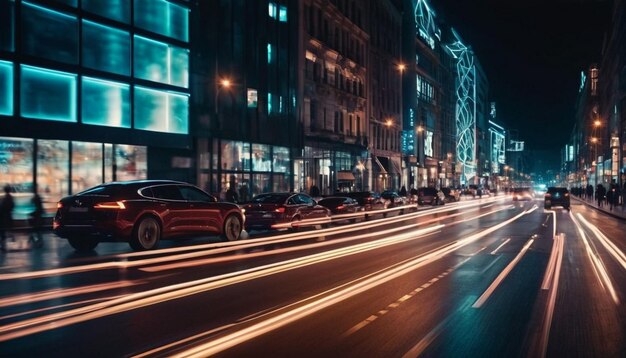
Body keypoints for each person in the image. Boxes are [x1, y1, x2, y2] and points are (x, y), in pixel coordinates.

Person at [0, 185, 15, 252]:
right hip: (8, 216)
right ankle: (3, 245)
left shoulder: (5, 198)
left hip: (3, 217)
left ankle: (3, 246)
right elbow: (12, 206)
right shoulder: (10, 198)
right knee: (4, 231)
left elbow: (2, 208)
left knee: (2, 231)